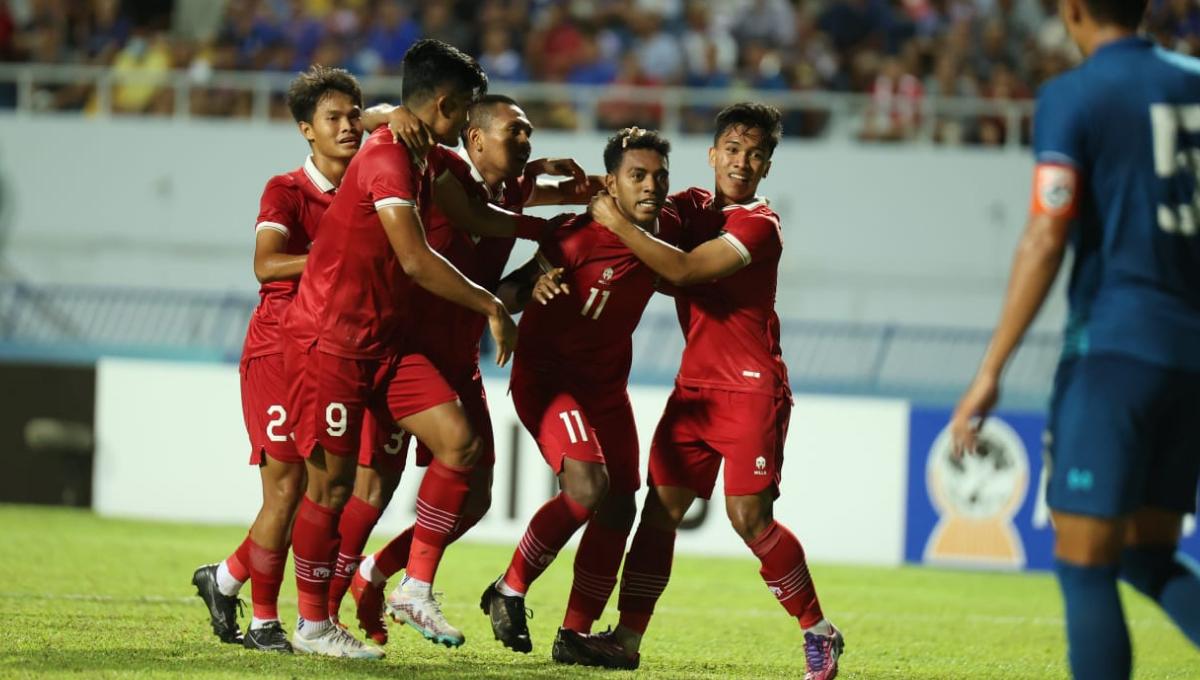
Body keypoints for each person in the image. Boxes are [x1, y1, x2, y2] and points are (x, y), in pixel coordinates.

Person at [949, 1, 1200, 677]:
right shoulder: (1192, 78)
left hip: (1115, 351)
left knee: (1085, 563)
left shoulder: (1075, 94)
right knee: (1147, 552)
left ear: (1073, 10)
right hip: (1189, 361)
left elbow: (1045, 234)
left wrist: (990, 367)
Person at [280, 39, 536, 656]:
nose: (469, 122)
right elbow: (418, 260)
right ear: (446, 105)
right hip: (331, 341)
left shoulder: (420, 153)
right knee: (332, 488)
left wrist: (548, 222)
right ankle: (312, 623)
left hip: (385, 342)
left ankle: (413, 587)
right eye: (466, 109)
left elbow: (474, 216)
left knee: (461, 444)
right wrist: (493, 304)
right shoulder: (392, 157)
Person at [586, 104, 843, 679]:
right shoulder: (693, 207)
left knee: (749, 519)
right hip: (694, 390)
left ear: (768, 166)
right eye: (732, 149)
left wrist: (618, 224)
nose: (741, 162)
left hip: (752, 390)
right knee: (659, 511)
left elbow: (681, 271)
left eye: (755, 154)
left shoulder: (760, 225)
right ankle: (626, 640)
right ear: (712, 155)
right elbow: (645, 216)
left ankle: (818, 631)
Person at [340, 94, 601, 645]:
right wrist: (389, 113)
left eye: (529, 133)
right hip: (402, 350)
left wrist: (609, 189)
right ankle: (306, 605)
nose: (528, 141)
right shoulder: (439, 167)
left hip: (458, 358)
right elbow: (364, 120)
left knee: (475, 497)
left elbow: (572, 199)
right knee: (370, 490)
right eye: (517, 132)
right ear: (475, 137)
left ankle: (375, 575)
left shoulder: (512, 189)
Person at [189, 65, 428, 654]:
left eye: (354, 115)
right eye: (332, 118)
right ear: (305, 131)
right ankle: (268, 622)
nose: (348, 126)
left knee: (327, 485)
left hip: (338, 346)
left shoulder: (372, 177)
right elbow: (266, 265)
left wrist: (383, 115)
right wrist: (336, 252)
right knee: (291, 485)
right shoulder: (287, 190)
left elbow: (378, 121)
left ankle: (223, 580)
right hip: (279, 347)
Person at [478, 128, 681, 664]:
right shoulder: (577, 235)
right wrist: (531, 291)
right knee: (589, 484)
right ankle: (509, 588)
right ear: (611, 183)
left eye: (660, 175)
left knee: (619, 506)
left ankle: (574, 634)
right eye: (637, 175)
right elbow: (508, 292)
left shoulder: (665, 236)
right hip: (549, 382)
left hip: (607, 389)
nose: (651, 186)